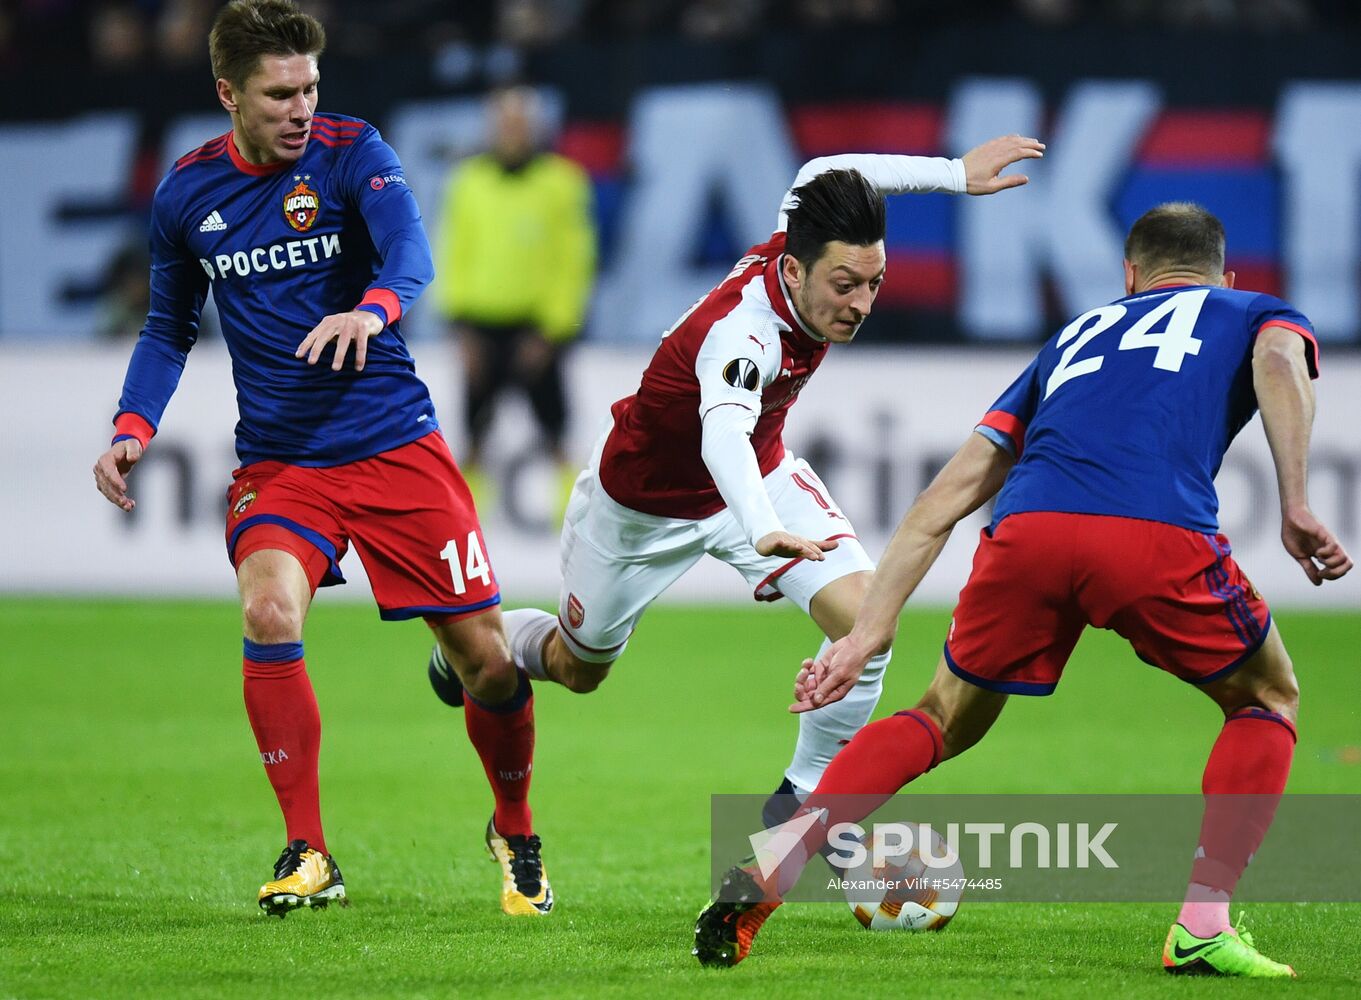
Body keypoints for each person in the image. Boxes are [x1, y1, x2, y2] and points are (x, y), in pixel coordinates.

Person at [693, 202, 1353, 975]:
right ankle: (1201, 926)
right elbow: (1278, 361)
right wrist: (1297, 500)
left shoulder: (1073, 338)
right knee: (1266, 698)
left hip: (1027, 531)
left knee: (940, 715)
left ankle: (776, 867)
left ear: (1129, 278)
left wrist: (866, 631)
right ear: (1222, 274)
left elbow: (946, 496)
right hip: (1152, 532)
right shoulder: (1255, 310)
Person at [91, 0, 551, 919]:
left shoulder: (354, 153)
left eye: (310, 87)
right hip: (283, 464)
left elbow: (411, 253)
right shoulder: (187, 195)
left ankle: (514, 826)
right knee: (267, 610)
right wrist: (132, 425)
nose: (301, 107)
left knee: (490, 667)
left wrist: (372, 309)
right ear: (227, 94)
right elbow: (169, 325)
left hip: (394, 448)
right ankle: (309, 850)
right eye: (278, 94)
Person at [429, 135, 1045, 818]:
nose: (861, 304)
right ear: (790, 274)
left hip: (762, 475)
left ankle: (802, 799)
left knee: (868, 621)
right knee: (578, 671)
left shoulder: (801, 238)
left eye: (874, 282)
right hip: (639, 507)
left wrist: (955, 175)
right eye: (843, 285)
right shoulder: (743, 335)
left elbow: (828, 171)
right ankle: (481, 642)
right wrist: (764, 529)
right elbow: (720, 434)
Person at [433, 86, 597, 511]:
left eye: (519, 124)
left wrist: (554, 329)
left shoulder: (562, 182)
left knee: (555, 430)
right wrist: (458, 325)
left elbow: (574, 260)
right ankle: (467, 523)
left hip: (537, 324)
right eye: (503, 124)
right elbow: (453, 250)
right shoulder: (468, 182)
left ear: (535, 129)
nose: (511, 133)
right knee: (474, 432)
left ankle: (572, 517)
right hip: (479, 323)